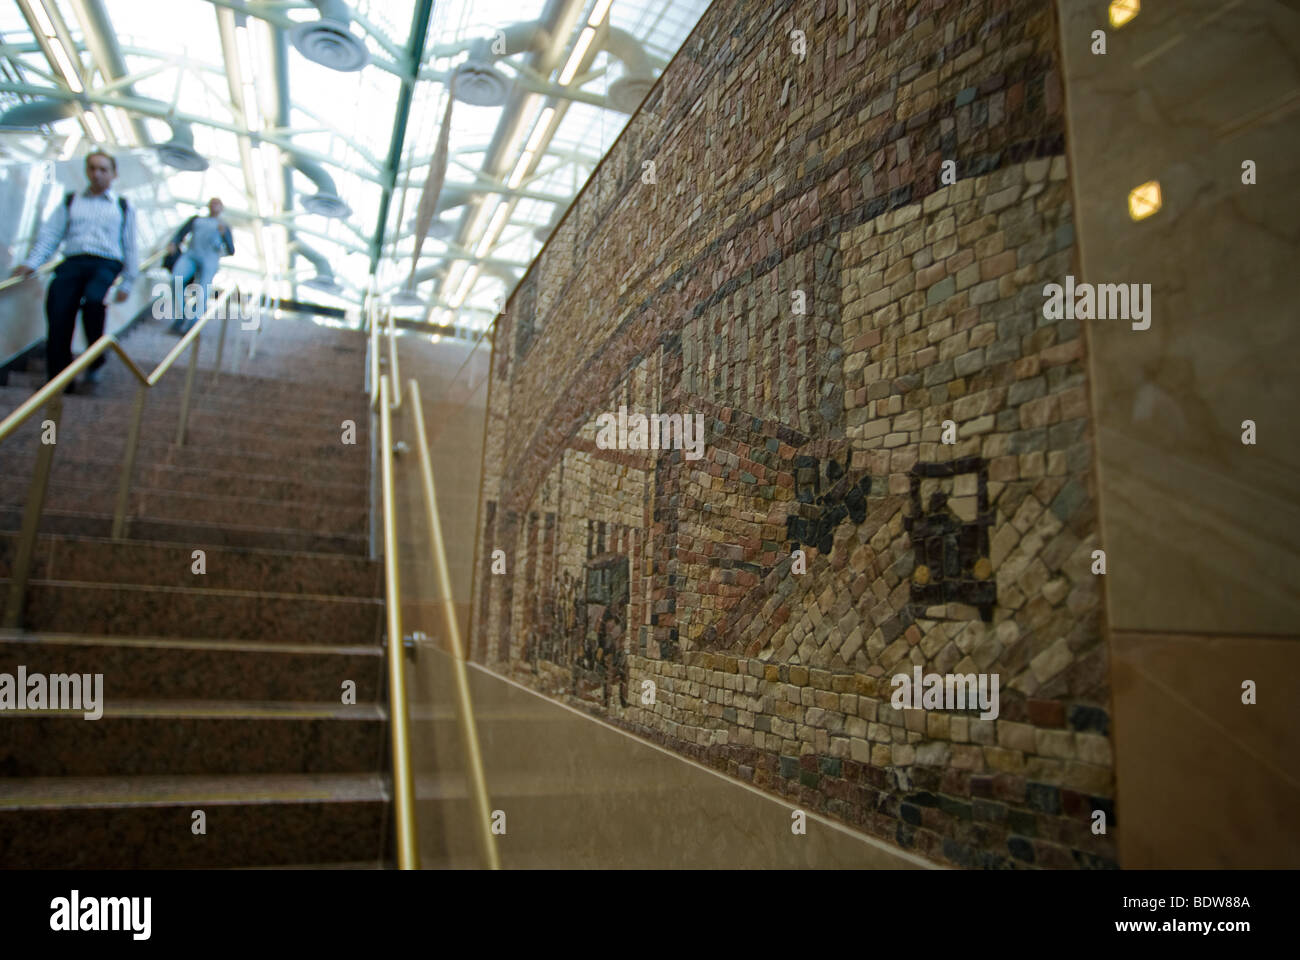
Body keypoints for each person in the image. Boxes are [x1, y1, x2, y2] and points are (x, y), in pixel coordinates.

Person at [9, 149, 137, 391]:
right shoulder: (71, 200)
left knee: (94, 301)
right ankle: (60, 380)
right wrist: (32, 263)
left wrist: (128, 281)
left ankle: (96, 358)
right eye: (92, 168)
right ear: (87, 171)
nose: (97, 174)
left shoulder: (122, 205)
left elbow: (130, 245)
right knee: (59, 313)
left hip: (106, 264)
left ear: (113, 174)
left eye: (103, 169)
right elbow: (51, 236)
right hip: (72, 263)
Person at [165, 198, 234, 335]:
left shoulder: (224, 227)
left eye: (218, 204)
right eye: (212, 203)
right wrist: (173, 242)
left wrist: (223, 235)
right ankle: (180, 316)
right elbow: (180, 233)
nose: (214, 206)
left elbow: (231, 250)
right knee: (176, 279)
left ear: (222, 208)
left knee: (202, 291)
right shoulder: (196, 220)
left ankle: (192, 325)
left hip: (210, 259)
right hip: (191, 255)